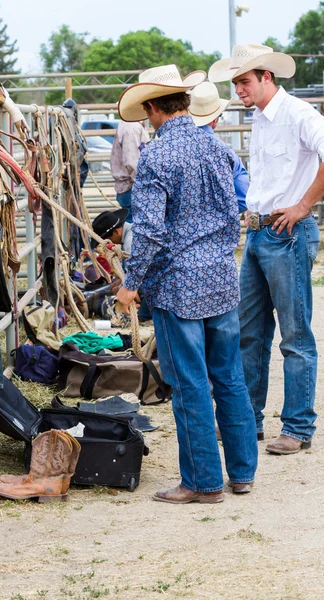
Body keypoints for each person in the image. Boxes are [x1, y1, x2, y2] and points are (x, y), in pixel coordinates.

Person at [116, 64, 258, 503]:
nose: (146, 118)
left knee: (190, 384)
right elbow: (237, 205)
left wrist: (131, 282)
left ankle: (201, 481)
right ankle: (241, 473)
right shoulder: (218, 148)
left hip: (178, 285)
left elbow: (151, 230)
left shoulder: (157, 156)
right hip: (219, 277)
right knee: (230, 377)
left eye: (146, 111)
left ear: (156, 107)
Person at [209, 44, 323, 454]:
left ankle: (296, 427)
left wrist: (304, 205)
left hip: (287, 231)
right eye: (235, 82)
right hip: (261, 232)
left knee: (294, 335)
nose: (238, 88)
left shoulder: (298, 114)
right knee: (248, 331)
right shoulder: (261, 117)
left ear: (266, 77)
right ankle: (249, 421)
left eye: (244, 81)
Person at [189, 81, 248, 213]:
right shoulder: (226, 153)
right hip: (219, 230)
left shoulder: (170, 148)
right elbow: (244, 197)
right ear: (214, 119)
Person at [91, 208, 151, 322]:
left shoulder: (130, 241)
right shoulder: (133, 233)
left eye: (108, 239)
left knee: (139, 316)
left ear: (117, 231)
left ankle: (143, 311)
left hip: (154, 284)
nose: (111, 243)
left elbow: (140, 271)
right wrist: (120, 281)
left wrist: (124, 288)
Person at [110, 120, 150, 222]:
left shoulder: (131, 126)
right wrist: (145, 186)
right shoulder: (131, 127)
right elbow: (132, 162)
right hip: (132, 187)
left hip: (130, 187)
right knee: (135, 227)